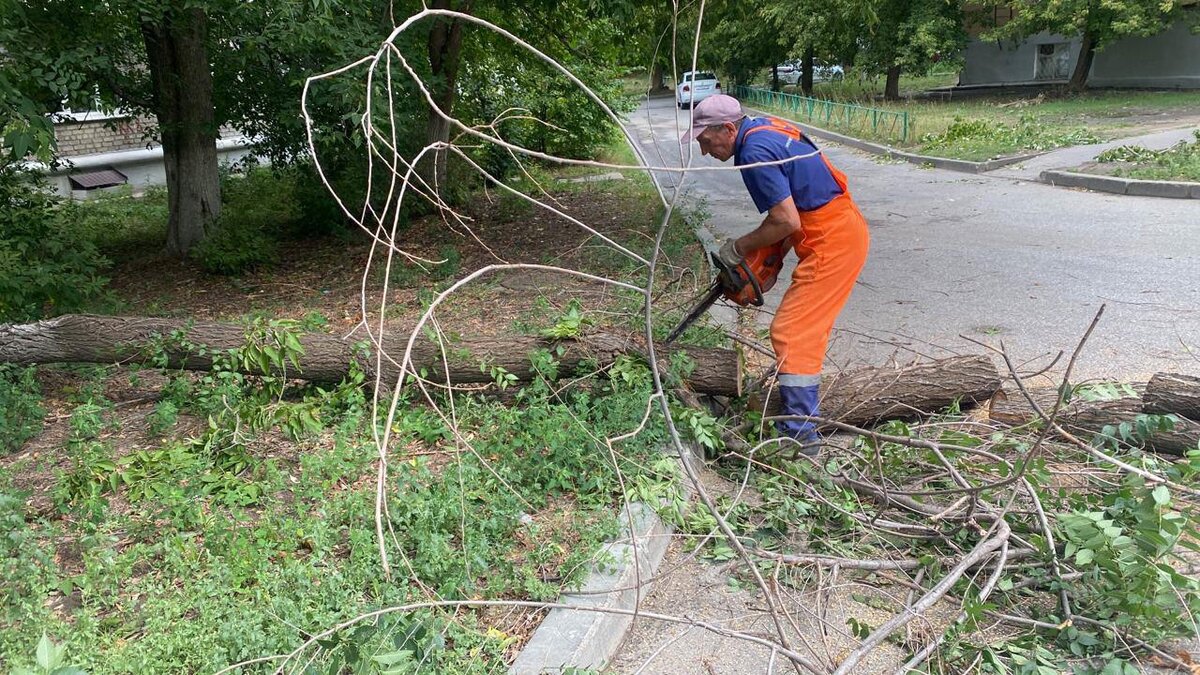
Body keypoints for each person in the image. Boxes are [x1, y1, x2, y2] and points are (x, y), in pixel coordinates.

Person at [681, 94, 869, 453]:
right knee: (802, 328)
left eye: (706, 141)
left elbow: (786, 219)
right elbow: (794, 210)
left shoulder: (753, 153)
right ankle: (800, 418)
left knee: (793, 331)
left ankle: (801, 436)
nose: (705, 151)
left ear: (728, 128)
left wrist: (741, 248)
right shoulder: (764, 131)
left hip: (833, 241)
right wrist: (771, 258)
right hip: (835, 229)